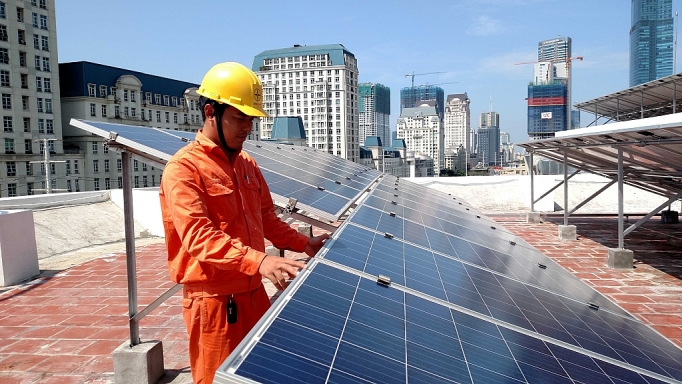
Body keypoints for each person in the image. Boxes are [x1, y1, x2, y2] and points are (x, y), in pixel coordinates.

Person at [159, 62, 329, 384]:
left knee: (256, 375)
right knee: (217, 379)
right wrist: (260, 260)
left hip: (254, 292)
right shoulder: (184, 169)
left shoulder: (247, 164)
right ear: (211, 111)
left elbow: (265, 217)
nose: (247, 127)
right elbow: (198, 237)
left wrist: (302, 243)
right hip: (214, 303)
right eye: (239, 117)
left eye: (251, 119)